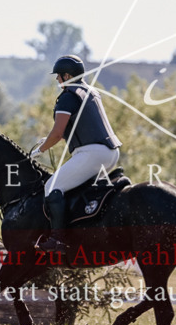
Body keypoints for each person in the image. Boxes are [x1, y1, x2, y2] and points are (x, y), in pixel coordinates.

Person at [31, 54, 121, 253]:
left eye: (58, 76)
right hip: (111, 153)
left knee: (51, 186)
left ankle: (58, 240)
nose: (57, 80)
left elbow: (56, 133)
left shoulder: (68, 96)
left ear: (67, 75)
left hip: (91, 153)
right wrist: (47, 141)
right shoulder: (91, 92)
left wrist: (39, 150)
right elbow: (73, 130)